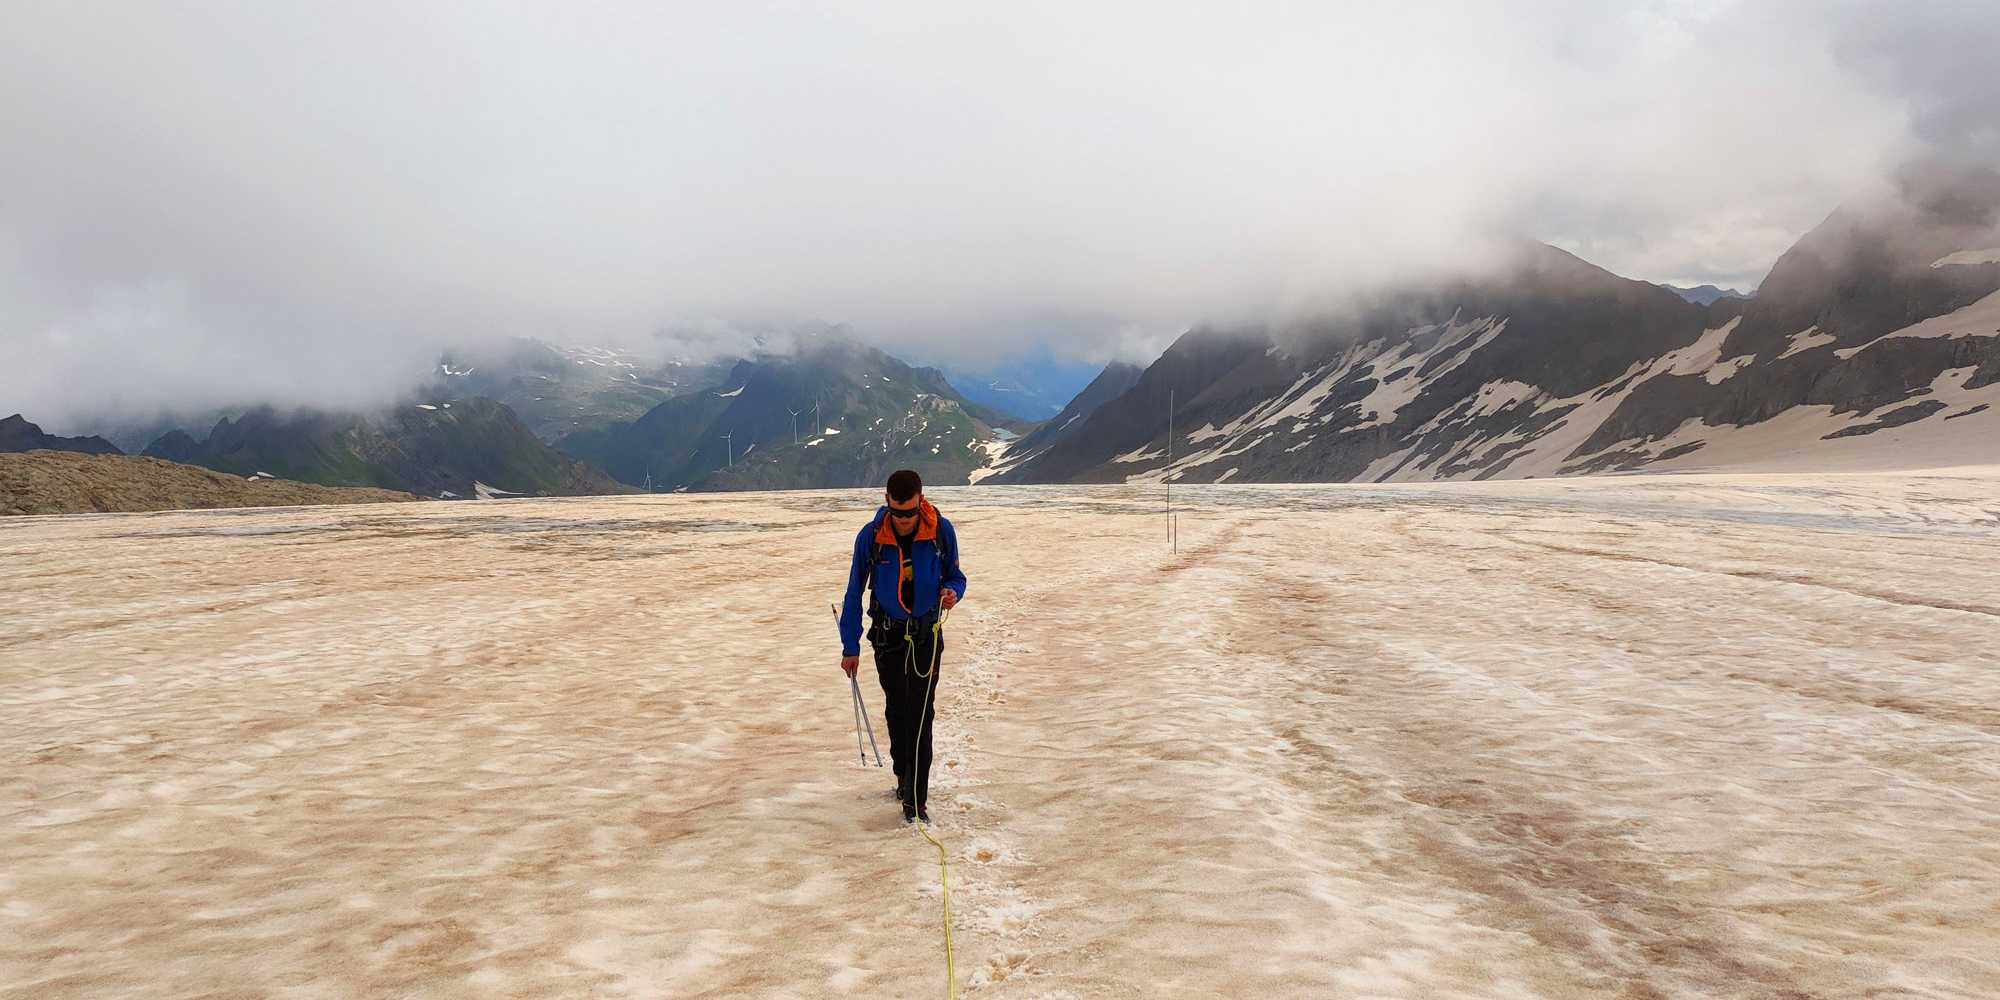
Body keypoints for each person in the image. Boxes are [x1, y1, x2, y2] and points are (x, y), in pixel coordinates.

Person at [838, 469, 967, 824]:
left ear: (920, 501)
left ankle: (916, 800)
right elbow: (854, 592)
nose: (905, 520)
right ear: (887, 503)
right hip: (888, 636)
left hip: (927, 635)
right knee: (897, 709)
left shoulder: (941, 530)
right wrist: (850, 646)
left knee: (921, 714)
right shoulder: (871, 537)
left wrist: (953, 592)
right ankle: (903, 777)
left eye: (910, 513)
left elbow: (957, 575)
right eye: (898, 513)